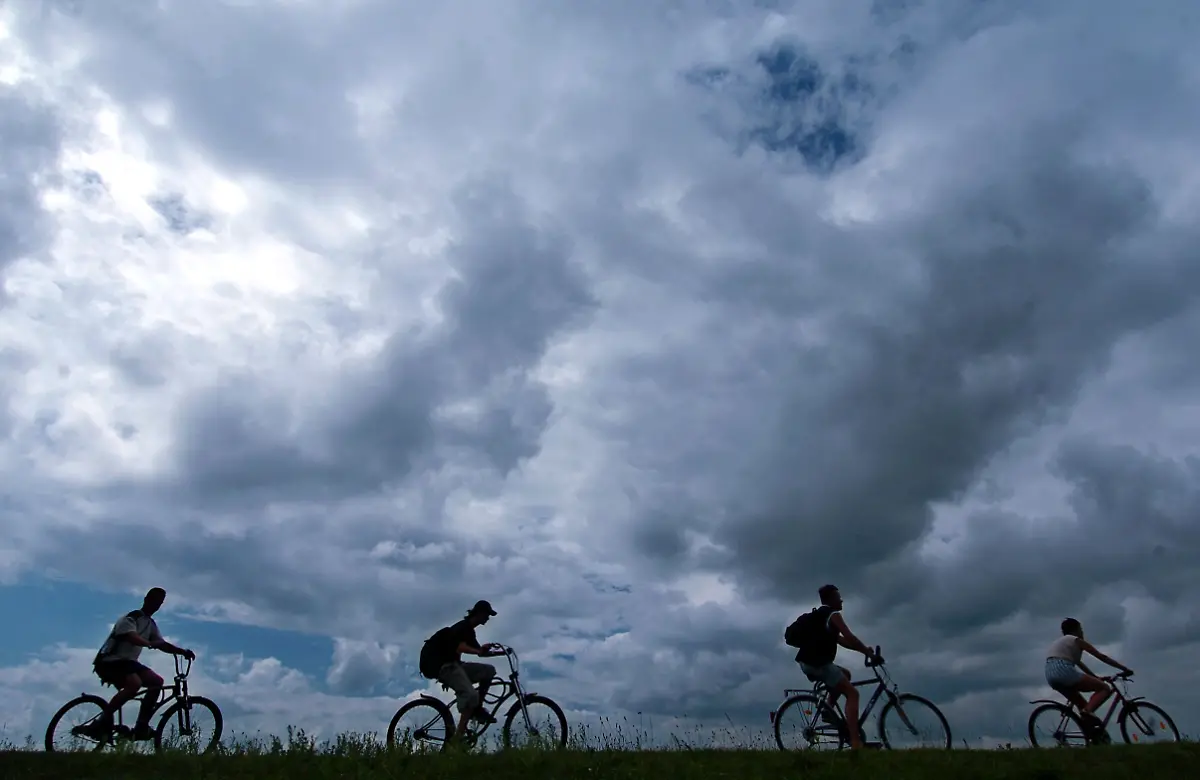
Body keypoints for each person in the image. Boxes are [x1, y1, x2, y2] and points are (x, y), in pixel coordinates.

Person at [81, 587, 195, 741]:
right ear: (147, 599)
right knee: (134, 684)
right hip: (109, 661)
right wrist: (148, 643)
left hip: (128, 664)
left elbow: (161, 644)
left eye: (159, 603)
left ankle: (141, 725)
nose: (156, 605)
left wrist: (182, 652)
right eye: (154, 601)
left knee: (157, 682)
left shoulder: (150, 624)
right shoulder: (131, 618)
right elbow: (131, 636)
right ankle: (101, 722)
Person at [788, 584, 880, 749]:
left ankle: (827, 709)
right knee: (853, 694)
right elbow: (850, 637)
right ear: (831, 599)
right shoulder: (833, 615)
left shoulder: (819, 617)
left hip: (808, 662)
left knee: (846, 674)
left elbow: (844, 642)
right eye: (838, 597)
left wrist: (865, 651)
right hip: (818, 664)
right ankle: (855, 742)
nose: (841, 600)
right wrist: (870, 654)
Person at [420, 600, 505, 738]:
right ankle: (458, 740)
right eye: (487, 615)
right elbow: (460, 647)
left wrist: (500, 652)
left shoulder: (470, 632)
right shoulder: (462, 627)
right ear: (479, 613)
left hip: (455, 666)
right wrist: (478, 651)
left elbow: (479, 651)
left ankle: (477, 709)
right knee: (471, 695)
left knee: (489, 671)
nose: (488, 618)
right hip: (445, 667)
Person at [1045, 617, 1133, 736]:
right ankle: (1087, 712)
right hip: (1064, 670)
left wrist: (1095, 677)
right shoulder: (1075, 640)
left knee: (1082, 704)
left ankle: (1091, 735)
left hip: (1051, 674)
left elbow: (1080, 665)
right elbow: (1101, 657)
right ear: (1075, 630)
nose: (1082, 632)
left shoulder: (1061, 643)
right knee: (1104, 689)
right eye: (1080, 629)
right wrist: (1124, 669)